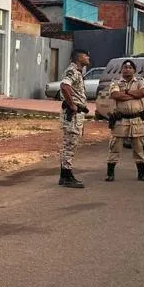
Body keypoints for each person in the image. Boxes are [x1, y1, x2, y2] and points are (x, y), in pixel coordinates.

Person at [105, 60, 144, 182]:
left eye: (130, 68)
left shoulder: (140, 81)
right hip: (121, 120)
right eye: (125, 67)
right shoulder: (116, 82)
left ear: (134, 70)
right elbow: (115, 95)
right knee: (115, 147)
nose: (127, 69)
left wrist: (125, 92)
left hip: (137, 119)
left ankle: (142, 173)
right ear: (121, 70)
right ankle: (110, 173)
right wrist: (135, 95)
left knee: (139, 148)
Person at [59, 48, 91, 189]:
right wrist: (72, 105)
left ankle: (65, 175)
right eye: (86, 55)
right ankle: (66, 176)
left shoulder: (78, 72)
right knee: (69, 144)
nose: (88, 58)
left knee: (71, 144)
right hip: (73, 114)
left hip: (77, 114)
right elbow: (65, 86)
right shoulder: (72, 71)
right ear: (78, 58)